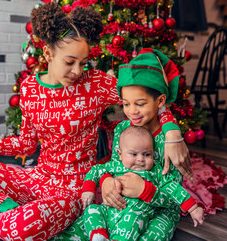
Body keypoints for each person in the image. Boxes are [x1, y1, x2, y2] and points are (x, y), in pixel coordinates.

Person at [0, 4, 186, 241]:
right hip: (37, 177)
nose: (77, 71)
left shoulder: (95, 84)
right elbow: (26, 145)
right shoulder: (29, 88)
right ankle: (4, 208)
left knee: (26, 224)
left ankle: (8, 216)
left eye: (83, 62)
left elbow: (148, 94)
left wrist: (173, 132)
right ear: (48, 53)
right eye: (70, 62)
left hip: (75, 189)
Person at [51, 48, 195, 241]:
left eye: (140, 104)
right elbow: (114, 166)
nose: (132, 111)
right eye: (126, 104)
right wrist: (106, 181)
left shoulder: (169, 140)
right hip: (122, 204)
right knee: (81, 229)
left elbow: (174, 199)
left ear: (160, 100)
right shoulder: (123, 129)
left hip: (159, 210)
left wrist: (145, 190)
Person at [81, 126, 204, 241]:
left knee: (130, 224)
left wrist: (193, 208)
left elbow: (173, 188)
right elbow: (96, 170)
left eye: (146, 154)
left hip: (136, 213)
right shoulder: (116, 165)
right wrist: (88, 189)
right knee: (91, 210)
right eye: (134, 154)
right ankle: (98, 234)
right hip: (109, 210)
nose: (140, 159)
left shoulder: (155, 171)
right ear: (120, 154)